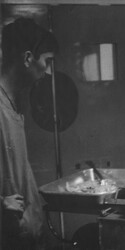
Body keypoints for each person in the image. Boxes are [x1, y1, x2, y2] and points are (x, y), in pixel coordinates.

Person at [0, 18, 59, 250]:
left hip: (26, 236)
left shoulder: (14, 104)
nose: (48, 70)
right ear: (27, 58)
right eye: (47, 61)